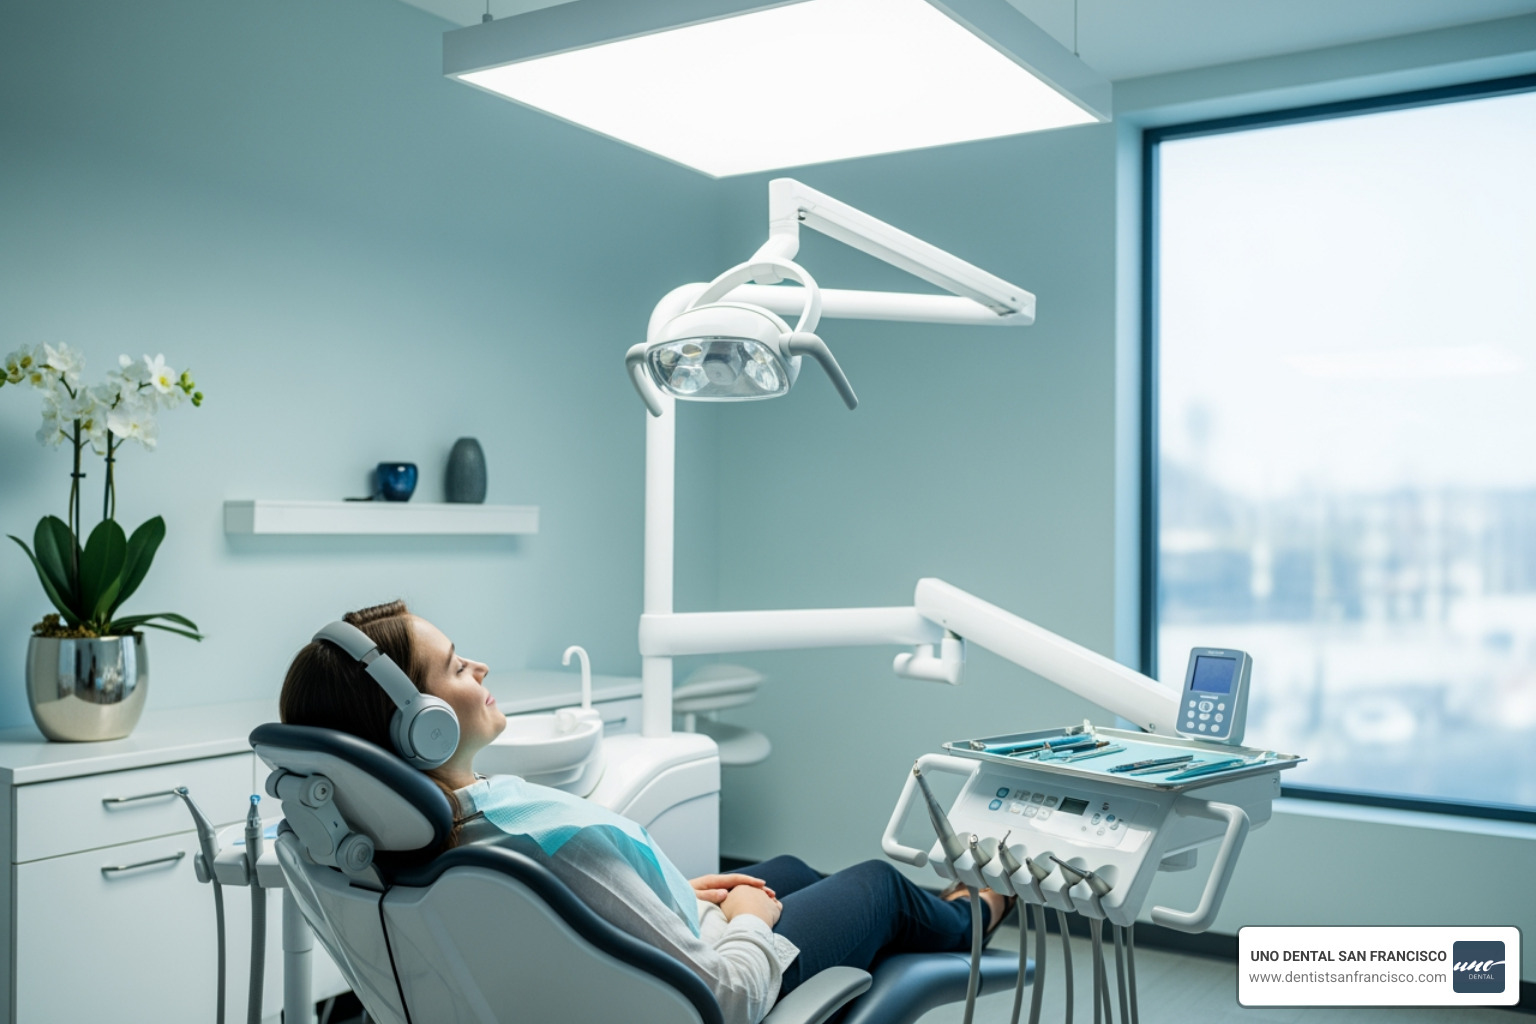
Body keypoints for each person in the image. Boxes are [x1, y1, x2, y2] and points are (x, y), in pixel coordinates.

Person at [280, 600, 1012, 1024]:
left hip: (625, 978)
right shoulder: (533, 845)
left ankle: (923, 918)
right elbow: (724, 999)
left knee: (786, 869)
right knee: (877, 888)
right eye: (455, 665)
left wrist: (670, 899)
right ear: (422, 726)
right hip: (707, 993)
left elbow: (549, 929)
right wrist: (749, 924)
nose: (481, 668)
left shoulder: (407, 848)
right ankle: (973, 914)